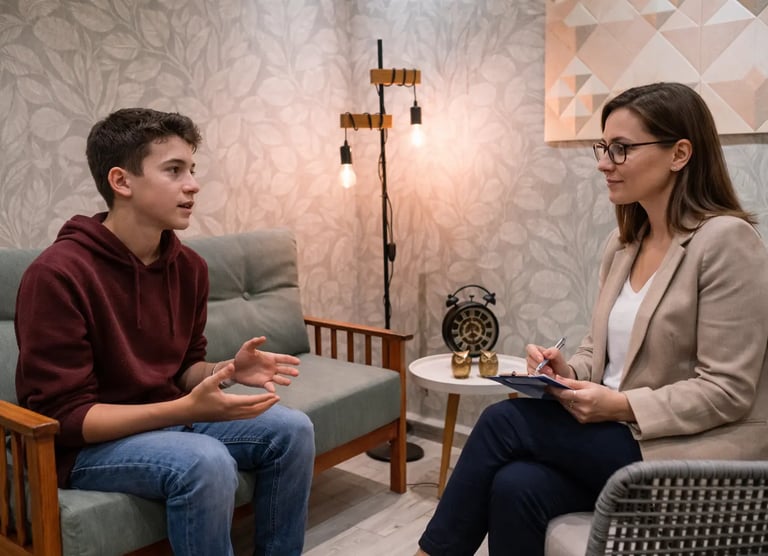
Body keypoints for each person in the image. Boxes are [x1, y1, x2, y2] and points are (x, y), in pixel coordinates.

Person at [415, 82, 768, 556]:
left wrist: (620, 406)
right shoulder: (623, 245)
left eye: (621, 148)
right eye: (603, 148)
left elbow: (727, 391)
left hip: (687, 455)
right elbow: (600, 353)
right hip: (619, 443)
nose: (604, 163)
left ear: (679, 153)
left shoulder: (726, 241)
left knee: (503, 422)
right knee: (515, 486)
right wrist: (567, 371)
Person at [15, 107, 315, 556]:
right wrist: (183, 409)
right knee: (206, 461)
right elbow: (67, 418)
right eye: (174, 170)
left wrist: (226, 371)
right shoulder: (57, 275)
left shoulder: (189, 267)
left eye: (192, 169)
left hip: (169, 416)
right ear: (122, 182)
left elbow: (185, 368)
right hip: (87, 448)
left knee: (292, 430)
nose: (193, 185)